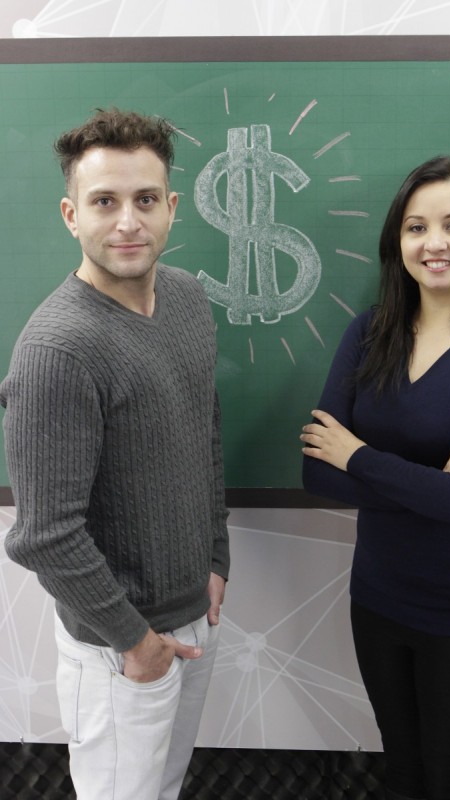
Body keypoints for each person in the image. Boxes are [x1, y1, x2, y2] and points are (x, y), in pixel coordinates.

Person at [0, 108, 230, 800]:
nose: (127, 221)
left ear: (172, 209)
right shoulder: (57, 350)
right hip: (120, 650)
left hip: (196, 615)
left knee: (165, 789)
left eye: (144, 200)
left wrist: (215, 555)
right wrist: (136, 643)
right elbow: (45, 535)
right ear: (72, 215)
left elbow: (205, 432)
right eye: (105, 201)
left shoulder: (188, 300)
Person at [301, 155, 450, 800]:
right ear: (396, 240)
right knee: (401, 776)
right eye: (415, 227)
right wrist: (436, 479)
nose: (434, 243)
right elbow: (315, 474)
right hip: (378, 599)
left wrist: (360, 456)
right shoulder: (367, 332)